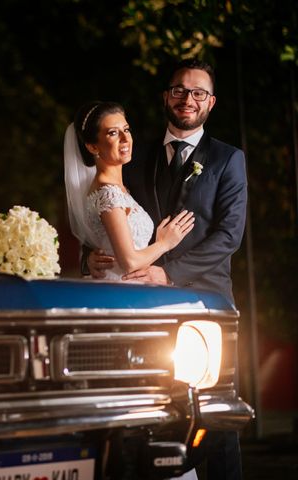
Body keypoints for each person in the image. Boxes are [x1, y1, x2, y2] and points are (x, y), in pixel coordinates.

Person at [85, 59, 248, 479]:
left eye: (198, 92)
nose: (187, 99)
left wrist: (168, 272)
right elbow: (112, 221)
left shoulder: (229, 160)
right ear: (166, 96)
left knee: (215, 411)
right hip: (145, 304)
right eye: (179, 90)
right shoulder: (136, 157)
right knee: (156, 409)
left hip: (205, 301)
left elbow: (228, 237)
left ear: (210, 102)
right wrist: (88, 257)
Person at [64, 101, 195, 281]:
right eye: (112, 133)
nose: (125, 139)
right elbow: (129, 262)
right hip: (121, 289)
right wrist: (165, 243)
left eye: (126, 130)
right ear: (92, 147)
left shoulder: (122, 186)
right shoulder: (107, 193)